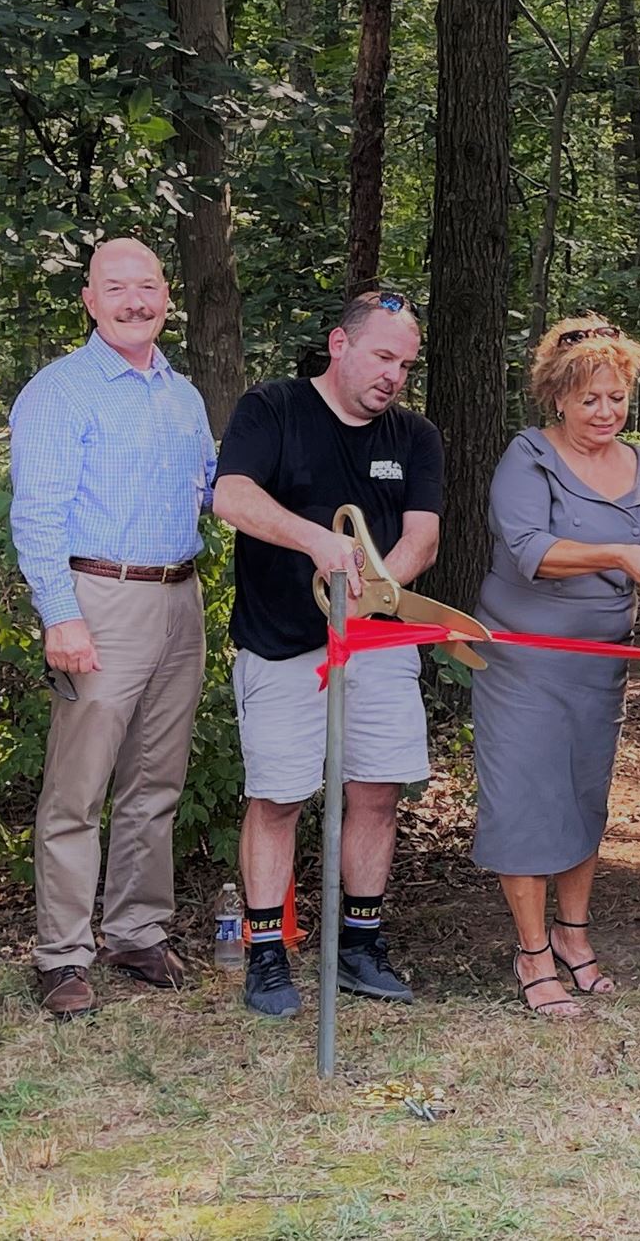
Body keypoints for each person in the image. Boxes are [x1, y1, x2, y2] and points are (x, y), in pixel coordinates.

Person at [212, 289, 443, 1018]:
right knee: (278, 796)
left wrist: (378, 585)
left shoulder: (414, 436)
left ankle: (361, 948)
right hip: (282, 645)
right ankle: (268, 956)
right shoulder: (271, 408)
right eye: (382, 357)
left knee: (377, 790)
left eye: (405, 365)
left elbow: (423, 538)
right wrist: (315, 540)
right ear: (341, 346)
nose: (393, 376)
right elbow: (233, 498)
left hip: (376, 642)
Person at [11, 238, 216, 1020]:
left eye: (149, 286)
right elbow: (35, 515)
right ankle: (62, 953)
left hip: (179, 599)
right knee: (78, 789)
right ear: (90, 301)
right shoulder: (63, 391)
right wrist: (60, 615)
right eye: (117, 288)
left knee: (156, 781)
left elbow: (207, 491)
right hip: (99, 599)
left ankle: (136, 930)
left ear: (168, 295)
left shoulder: (181, 394)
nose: (136, 301)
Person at [470, 317, 640, 1017]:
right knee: (527, 798)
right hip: (522, 660)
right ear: (557, 397)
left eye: (616, 398)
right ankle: (531, 952)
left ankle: (573, 932)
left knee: (584, 797)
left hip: (601, 665)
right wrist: (614, 556)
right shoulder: (527, 457)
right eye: (590, 398)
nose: (605, 412)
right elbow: (530, 545)